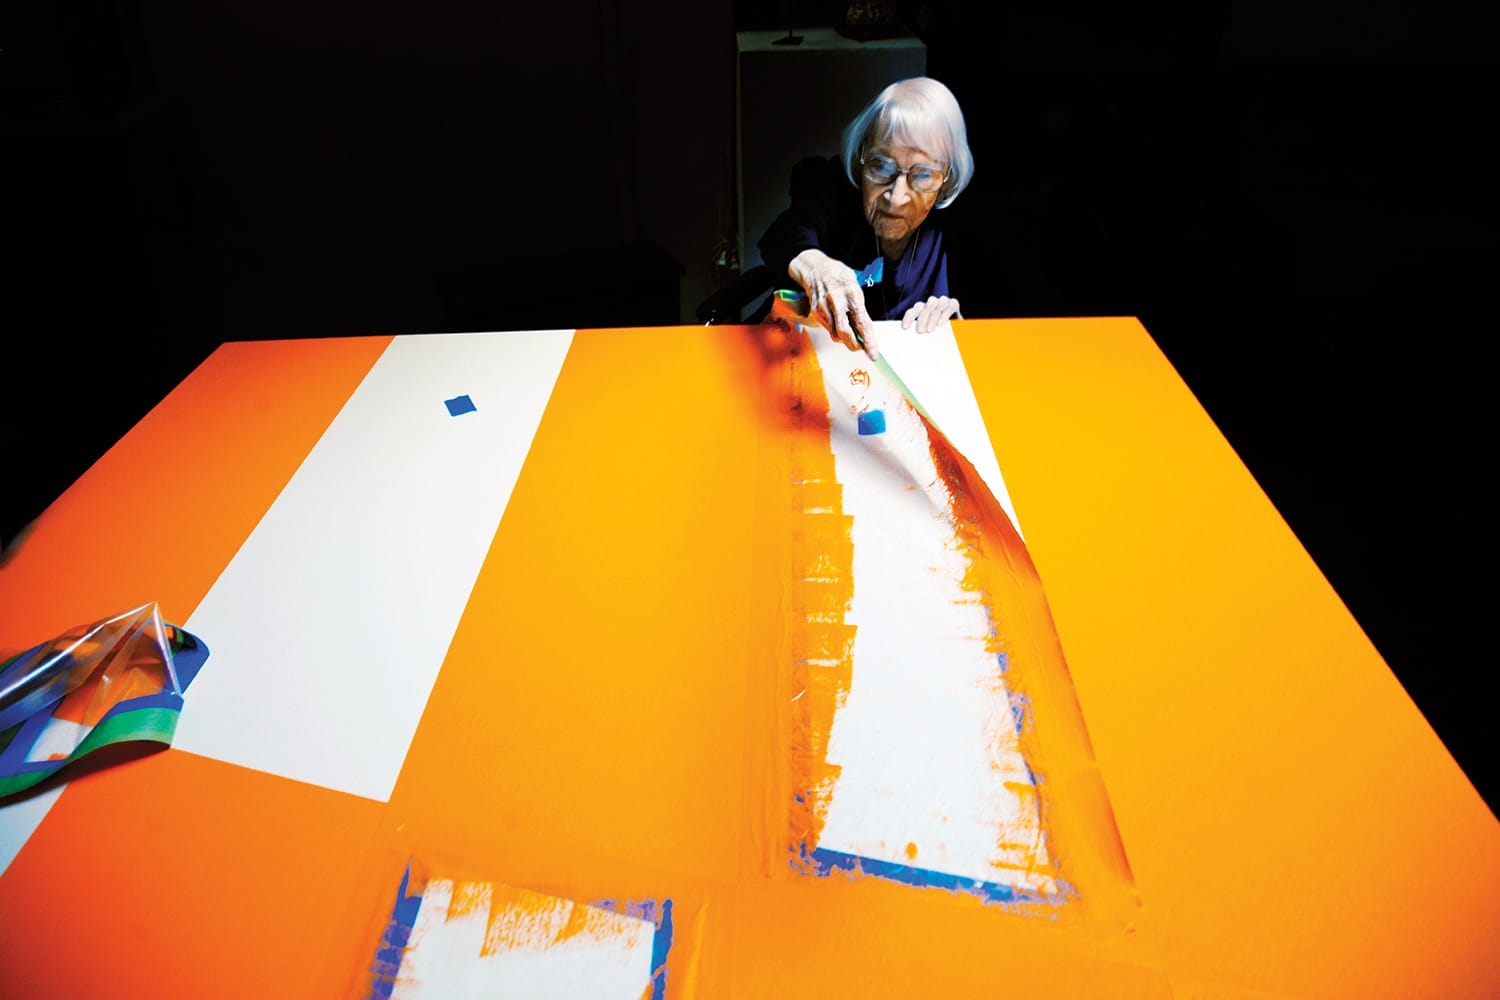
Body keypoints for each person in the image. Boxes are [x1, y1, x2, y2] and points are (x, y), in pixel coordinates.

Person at [757, 76, 975, 361]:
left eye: (922, 175)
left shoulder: (960, 222)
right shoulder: (832, 188)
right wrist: (816, 268)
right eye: (881, 166)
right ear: (861, 159)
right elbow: (786, 233)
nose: (896, 197)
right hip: (805, 362)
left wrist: (954, 323)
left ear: (947, 180)